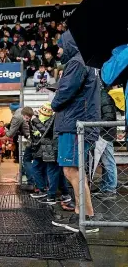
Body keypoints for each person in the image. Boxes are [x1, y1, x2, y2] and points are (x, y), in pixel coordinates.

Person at [50, 30, 101, 233]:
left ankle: (85, 217)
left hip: (75, 123)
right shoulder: (86, 61)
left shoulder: (77, 62)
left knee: (72, 171)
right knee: (75, 170)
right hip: (79, 121)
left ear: (70, 44)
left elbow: (65, 92)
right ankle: (85, 216)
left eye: (61, 46)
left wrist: (54, 102)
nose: (60, 50)